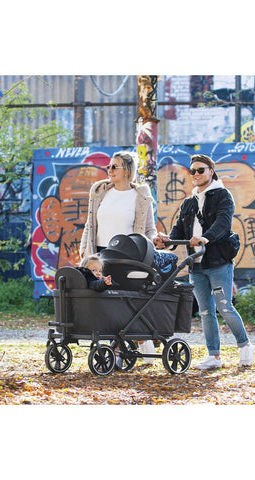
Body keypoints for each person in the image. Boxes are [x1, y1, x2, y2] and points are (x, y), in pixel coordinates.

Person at [154, 154, 254, 369]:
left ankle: (245, 345)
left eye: (201, 170)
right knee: (206, 312)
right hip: (196, 265)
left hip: (218, 262)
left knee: (225, 307)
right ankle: (214, 356)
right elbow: (179, 230)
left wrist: (205, 238)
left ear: (211, 171)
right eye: (193, 171)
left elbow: (223, 223)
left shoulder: (222, 195)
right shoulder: (189, 202)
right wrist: (166, 241)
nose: (196, 174)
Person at [80, 151, 157, 364]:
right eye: (109, 166)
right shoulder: (100, 191)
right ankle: (124, 347)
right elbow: (90, 224)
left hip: (126, 257)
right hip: (99, 256)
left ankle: (128, 346)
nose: (109, 170)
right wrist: (85, 251)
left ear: (127, 171)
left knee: (122, 304)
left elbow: (149, 230)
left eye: (115, 167)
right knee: (104, 304)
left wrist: (155, 242)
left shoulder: (140, 196)